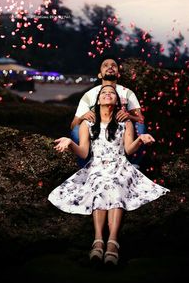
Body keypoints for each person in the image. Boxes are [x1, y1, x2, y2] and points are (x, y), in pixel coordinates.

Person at [48, 85, 170, 266]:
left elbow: (128, 149)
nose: (107, 94)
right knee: (99, 183)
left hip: (120, 165)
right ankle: (98, 240)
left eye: (111, 93)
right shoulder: (87, 123)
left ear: (117, 101)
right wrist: (69, 142)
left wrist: (140, 139)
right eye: (103, 93)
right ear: (97, 101)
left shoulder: (125, 123)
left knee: (116, 184)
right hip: (96, 166)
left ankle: (112, 243)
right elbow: (83, 152)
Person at [70, 54, 146, 167]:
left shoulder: (127, 93)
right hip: (97, 132)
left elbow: (140, 119)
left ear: (118, 73)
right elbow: (73, 125)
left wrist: (128, 116)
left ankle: (134, 164)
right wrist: (83, 117)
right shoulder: (90, 95)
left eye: (113, 65)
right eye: (105, 65)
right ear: (100, 74)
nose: (110, 67)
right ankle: (84, 165)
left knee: (141, 128)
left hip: (120, 132)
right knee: (76, 130)